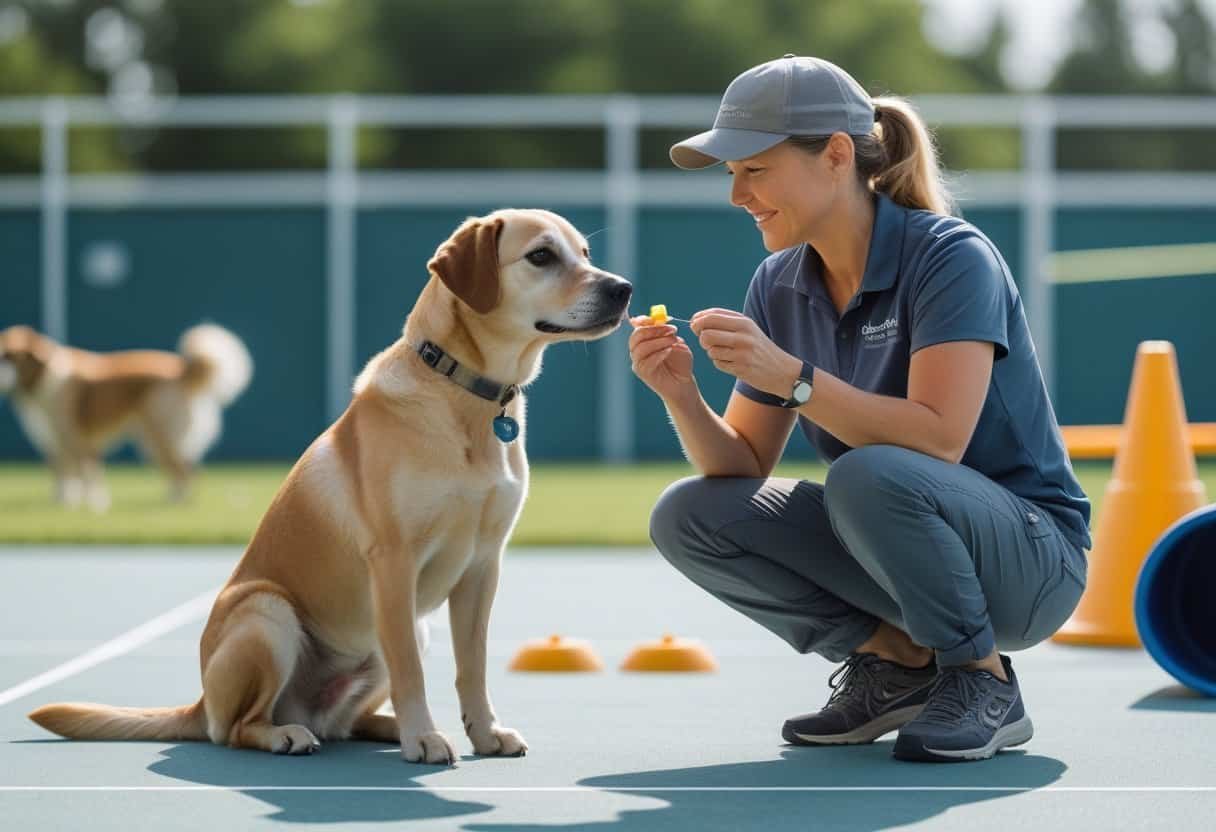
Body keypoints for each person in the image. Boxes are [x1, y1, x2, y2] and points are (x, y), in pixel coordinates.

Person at [631, 55, 1090, 763]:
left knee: (867, 473)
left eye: (754, 169)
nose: (737, 195)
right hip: (897, 538)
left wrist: (791, 376)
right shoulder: (777, 283)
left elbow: (937, 440)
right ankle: (897, 667)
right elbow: (743, 464)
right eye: (732, 174)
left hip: (1033, 563)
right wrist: (682, 395)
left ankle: (982, 679)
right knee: (689, 513)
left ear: (836, 156)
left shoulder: (951, 257)